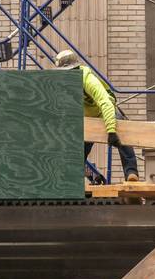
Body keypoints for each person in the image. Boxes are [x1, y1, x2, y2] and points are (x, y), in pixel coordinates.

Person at [55, 49, 139, 183]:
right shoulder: (65, 85)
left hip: (104, 113)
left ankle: (131, 172)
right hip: (87, 119)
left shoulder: (87, 79)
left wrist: (111, 131)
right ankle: (71, 180)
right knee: (79, 149)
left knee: (122, 133)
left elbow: (105, 102)